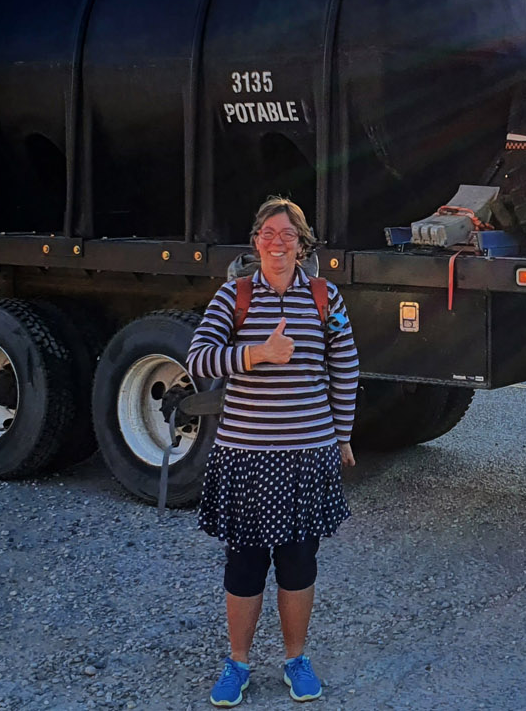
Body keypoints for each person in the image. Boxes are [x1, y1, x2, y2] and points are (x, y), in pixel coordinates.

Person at [186, 196, 359, 706]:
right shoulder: (232, 297)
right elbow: (198, 362)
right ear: (255, 241)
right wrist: (258, 353)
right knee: (243, 566)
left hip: (308, 454)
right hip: (246, 455)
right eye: (268, 233)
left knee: (299, 564)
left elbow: (345, 367)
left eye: (289, 235)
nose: (278, 243)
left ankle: (295, 659)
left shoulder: (327, 298)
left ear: (303, 245)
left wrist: (343, 435)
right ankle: (237, 664)